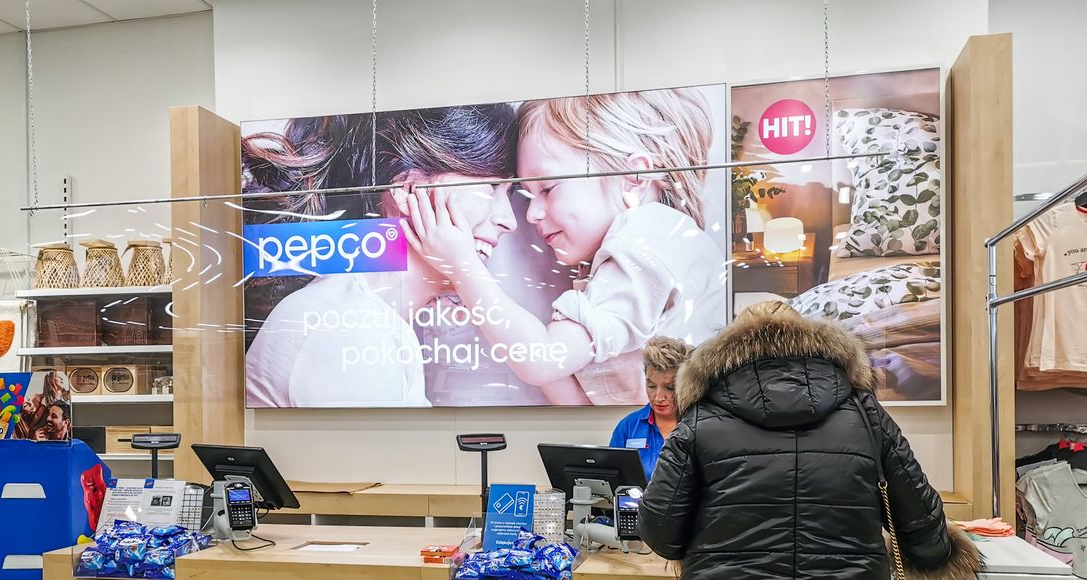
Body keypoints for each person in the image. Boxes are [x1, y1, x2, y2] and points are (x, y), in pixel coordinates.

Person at [638, 301, 982, 580]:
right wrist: (943, 555)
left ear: (726, 352)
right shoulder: (866, 414)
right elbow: (921, 524)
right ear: (812, 343)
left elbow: (661, 532)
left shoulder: (699, 420)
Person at [402, 89, 726, 405]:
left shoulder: (647, 239)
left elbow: (542, 359)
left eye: (548, 188)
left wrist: (463, 268)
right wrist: (480, 305)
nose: (531, 214)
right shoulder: (641, 254)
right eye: (528, 196)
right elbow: (577, 401)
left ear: (634, 177)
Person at [241, 106, 520, 407]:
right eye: (492, 187)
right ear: (410, 189)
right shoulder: (353, 329)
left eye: (511, 193)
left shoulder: (364, 315)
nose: (510, 220)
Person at [609, 336, 692, 480]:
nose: (658, 397)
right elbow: (612, 479)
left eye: (670, 388)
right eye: (651, 386)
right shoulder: (628, 427)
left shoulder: (699, 425)